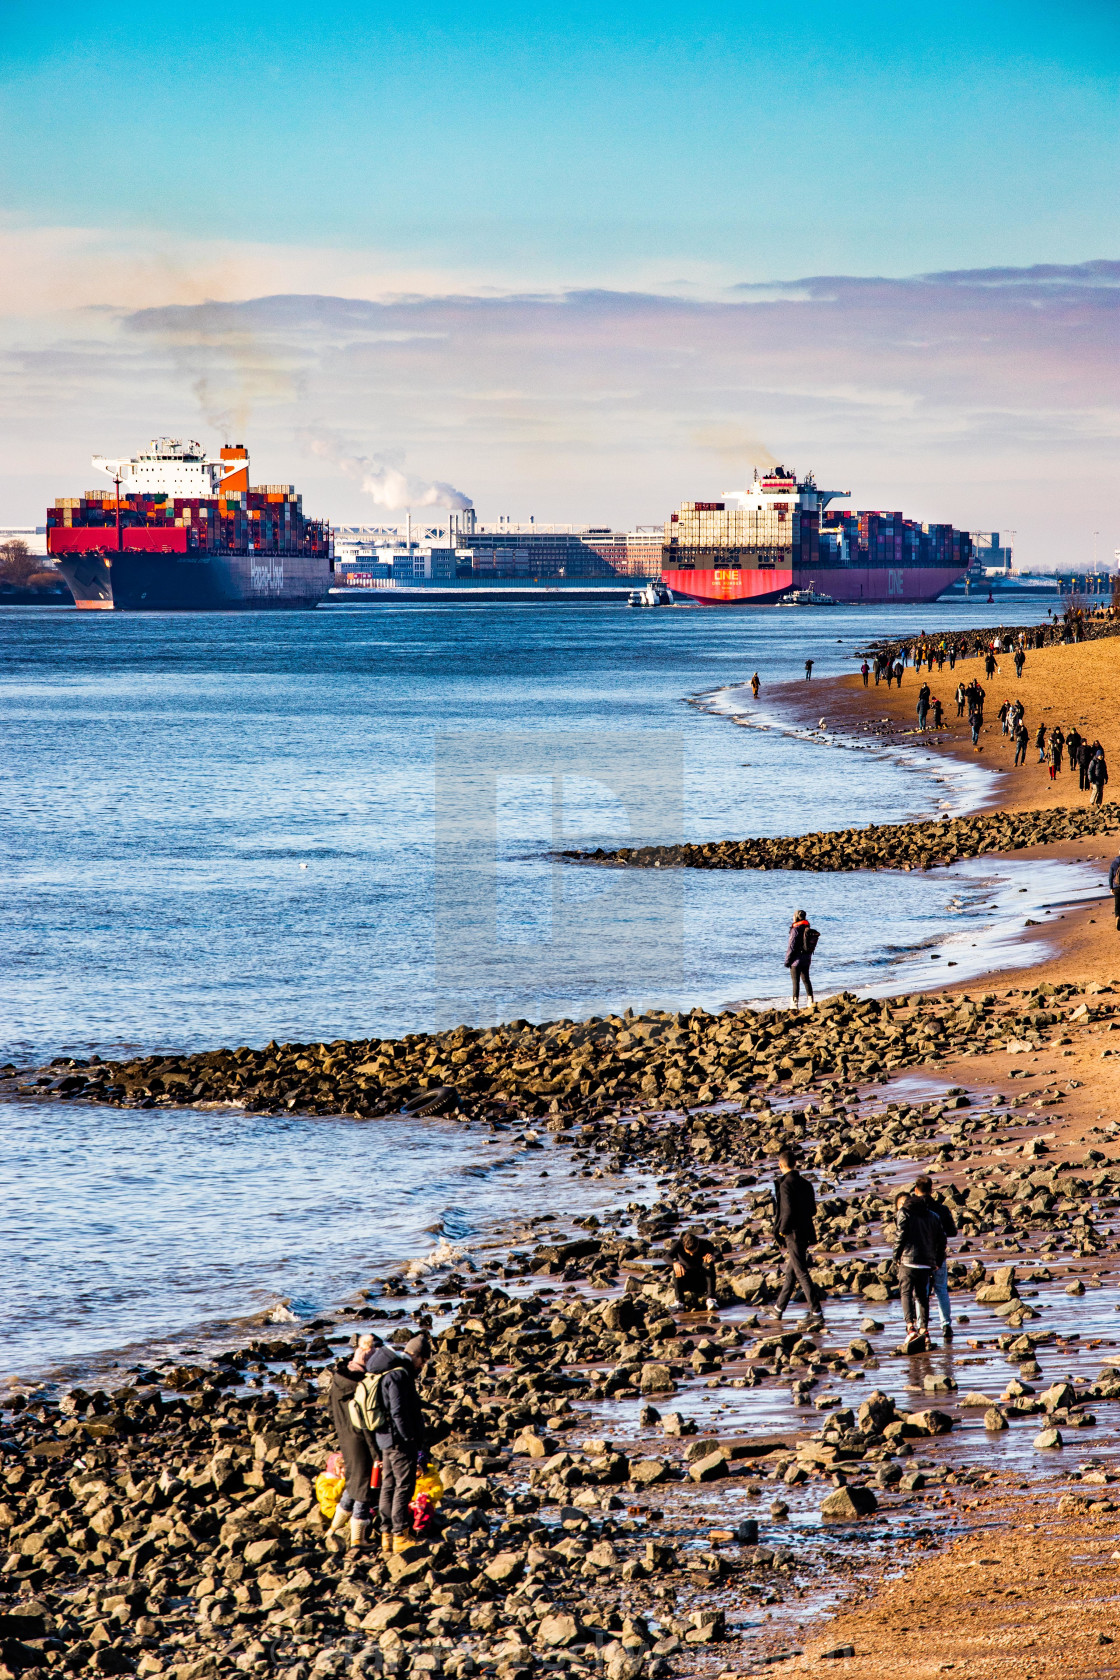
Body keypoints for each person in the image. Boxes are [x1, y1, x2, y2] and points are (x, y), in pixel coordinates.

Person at [369, 1333, 431, 1553]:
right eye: (423, 1360)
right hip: (398, 1439)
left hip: (384, 1437)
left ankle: (387, 1535)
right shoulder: (399, 1375)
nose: (422, 1366)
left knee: (388, 1485)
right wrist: (409, 1438)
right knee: (403, 1485)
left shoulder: (387, 1371)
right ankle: (399, 1534)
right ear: (414, 1354)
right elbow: (397, 1410)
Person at [325, 1333, 382, 1551]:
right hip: (359, 1438)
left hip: (345, 1436)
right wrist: (377, 1453)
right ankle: (358, 1538)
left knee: (353, 1482)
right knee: (364, 1485)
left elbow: (332, 1412)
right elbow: (365, 1421)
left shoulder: (339, 1379)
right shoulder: (359, 1386)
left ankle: (334, 1528)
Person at [768, 1146, 822, 1328]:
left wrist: (782, 1230)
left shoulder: (785, 1185)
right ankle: (778, 1308)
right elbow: (813, 1210)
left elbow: (787, 1210)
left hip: (793, 1234)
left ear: (780, 1165)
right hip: (806, 1231)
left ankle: (816, 1312)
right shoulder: (806, 1184)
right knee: (791, 1271)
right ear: (796, 1163)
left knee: (801, 1272)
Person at [892, 1187, 943, 1352]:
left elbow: (900, 1236)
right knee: (923, 1296)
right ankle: (924, 1330)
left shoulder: (904, 1213)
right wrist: (937, 1260)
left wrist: (896, 1256)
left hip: (907, 1260)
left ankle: (910, 1327)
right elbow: (941, 1239)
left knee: (906, 1293)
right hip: (926, 1263)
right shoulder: (933, 1216)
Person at [913, 1175, 957, 1341]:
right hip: (938, 1254)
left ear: (916, 1190)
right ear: (931, 1190)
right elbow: (952, 1232)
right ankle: (945, 1325)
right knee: (941, 1289)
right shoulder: (941, 1209)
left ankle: (921, 1326)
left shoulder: (912, 1210)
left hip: (919, 1256)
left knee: (921, 1293)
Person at [669, 1228, 720, 1310]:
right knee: (677, 1267)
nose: (692, 1254)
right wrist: (674, 1263)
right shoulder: (679, 1244)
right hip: (687, 1281)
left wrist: (714, 1257)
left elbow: (718, 1253)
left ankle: (711, 1299)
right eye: (689, 1252)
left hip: (703, 1281)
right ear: (684, 1245)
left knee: (708, 1263)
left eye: (694, 1251)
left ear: (698, 1244)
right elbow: (666, 1257)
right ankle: (679, 1302)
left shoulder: (704, 1243)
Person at [784, 908, 817, 1008]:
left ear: (796, 918)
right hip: (806, 959)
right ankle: (811, 1002)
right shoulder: (808, 928)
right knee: (806, 980)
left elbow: (791, 946)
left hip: (796, 961)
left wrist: (787, 961)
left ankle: (794, 1004)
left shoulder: (795, 930)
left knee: (795, 982)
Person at [1109, 851, 1120, 932]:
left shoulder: (1114, 863)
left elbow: (1110, 877)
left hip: (1117, 887)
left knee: (1117, 904)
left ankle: (1117, 916)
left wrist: (1111, 887)